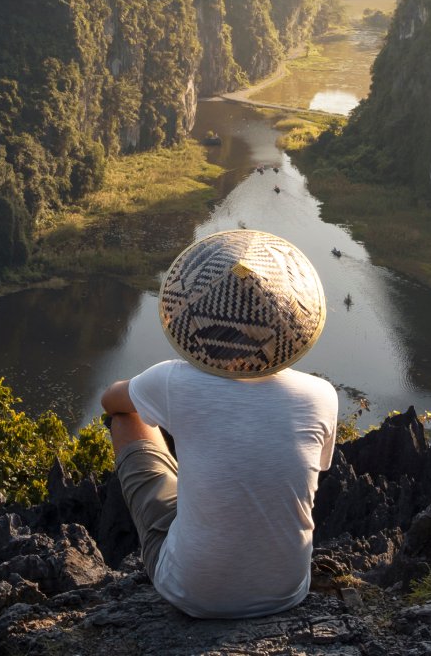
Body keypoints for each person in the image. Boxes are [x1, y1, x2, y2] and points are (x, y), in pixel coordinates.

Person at [99, 229, 338, 618]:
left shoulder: (174, 380)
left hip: (192, 593)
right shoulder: (322, 395)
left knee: (126, 417)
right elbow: (311, 468)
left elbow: (110, 400)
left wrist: (156, 400)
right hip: (287, 592)